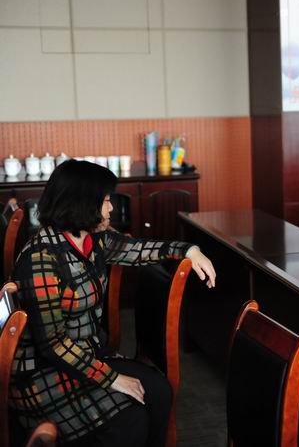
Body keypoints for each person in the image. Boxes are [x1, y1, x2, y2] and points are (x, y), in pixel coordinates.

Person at [9, 160, 217, 447]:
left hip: (86, 355)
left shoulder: (93, 239)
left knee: (159, 392)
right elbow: (53, 346)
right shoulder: (40, 260)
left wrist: (190, 250)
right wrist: (112, 378)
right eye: (106, 201)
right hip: (42, 375)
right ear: (82, 204)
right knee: (131, 420)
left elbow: (139, 248)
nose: (111, 208)